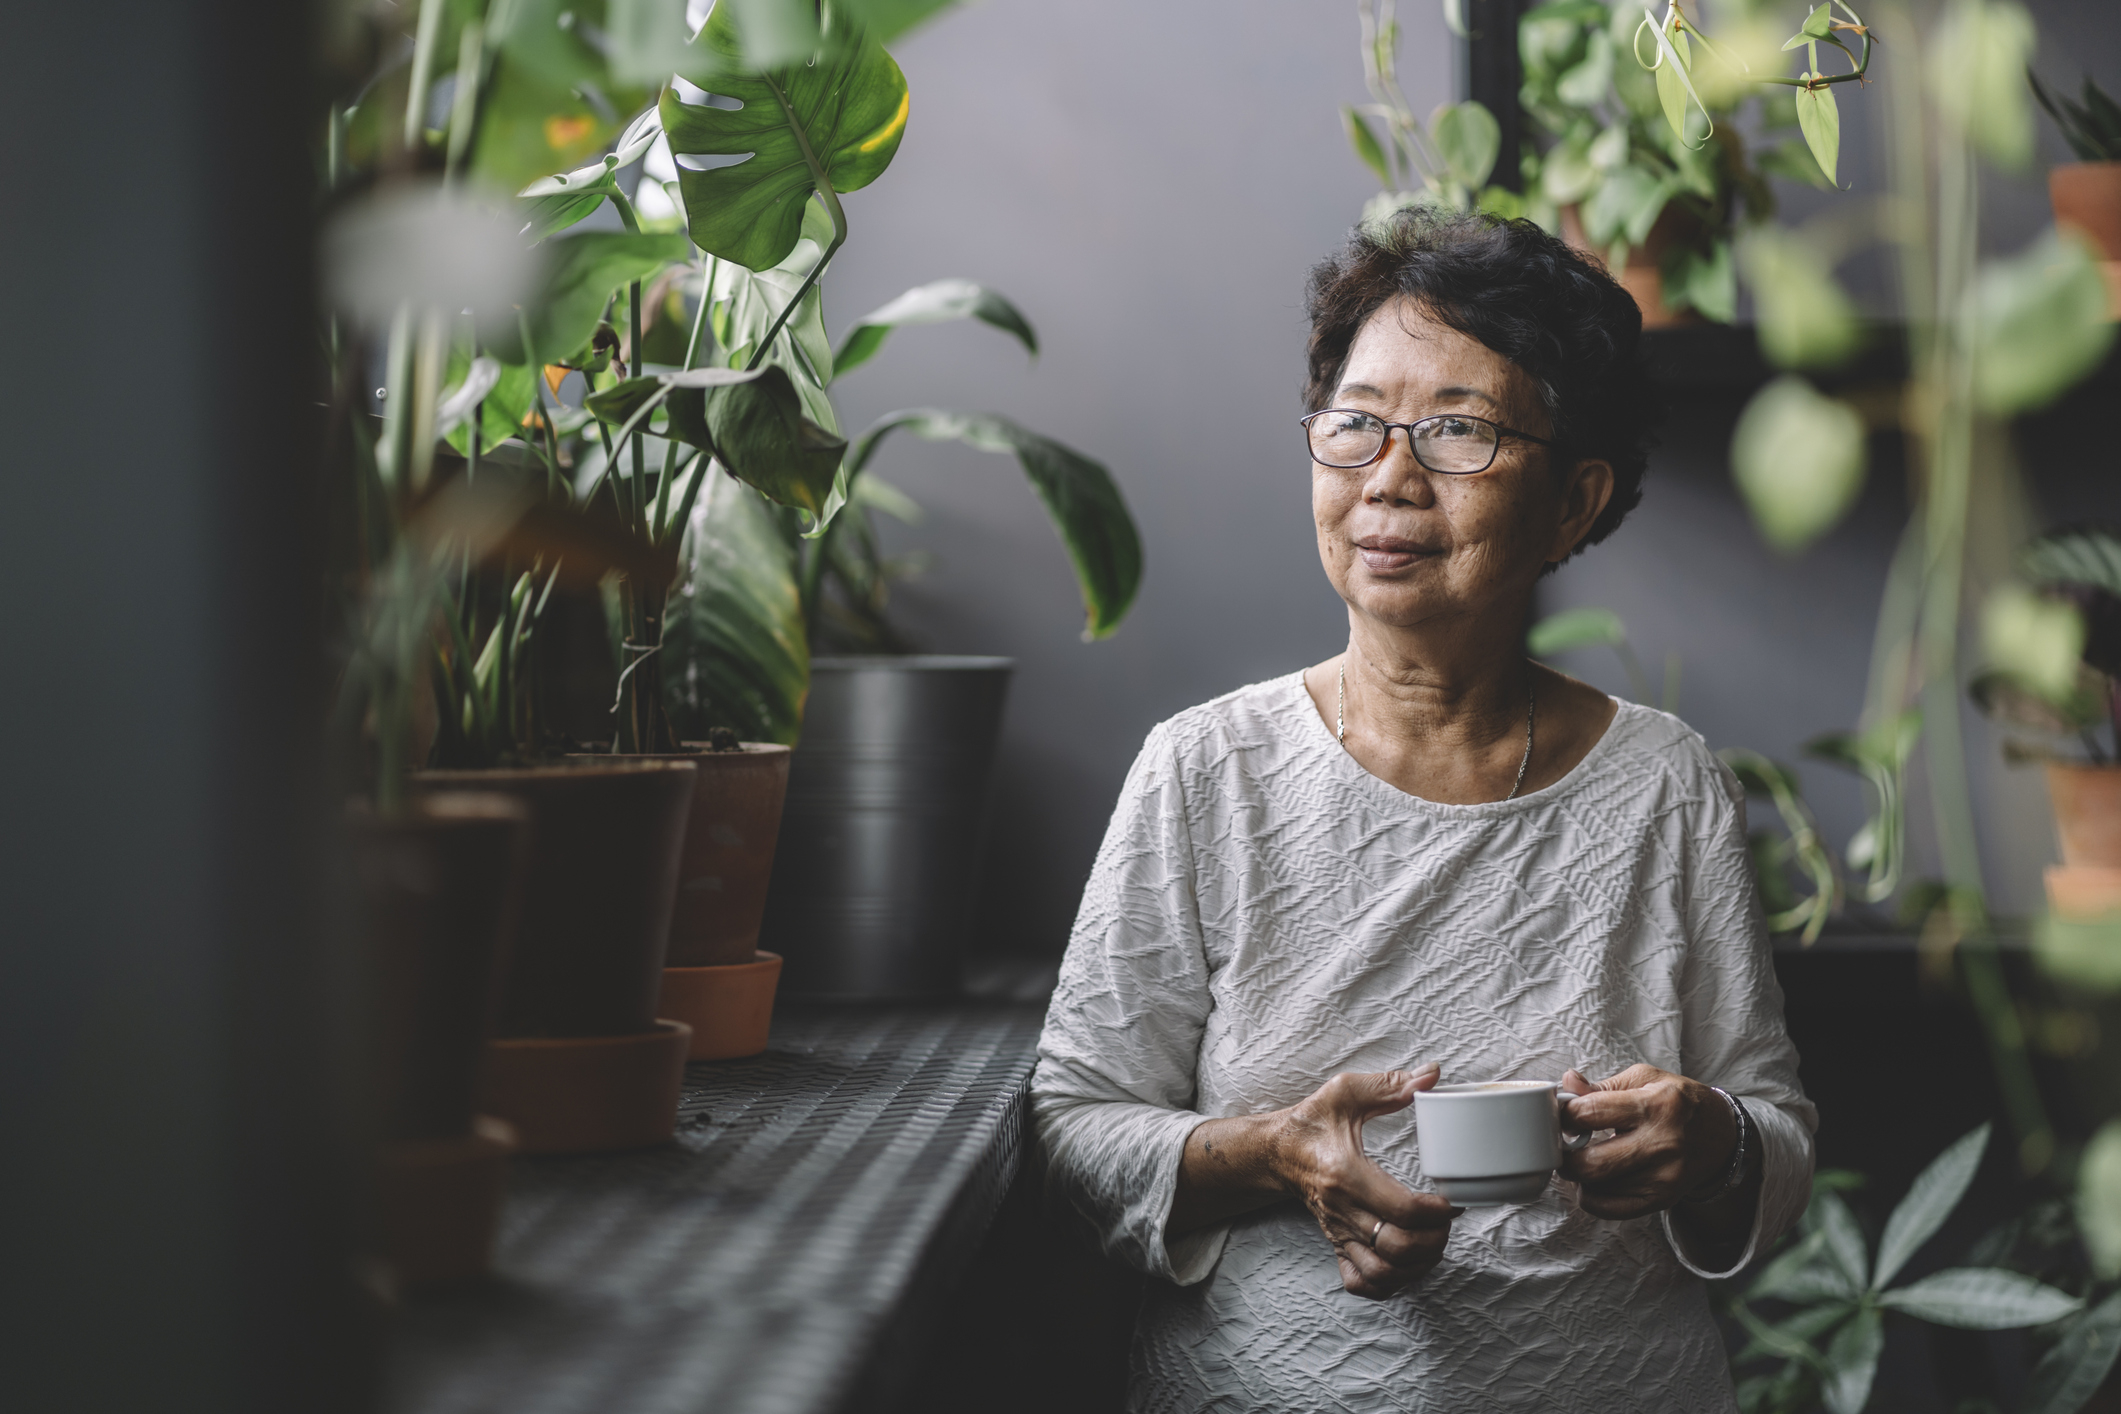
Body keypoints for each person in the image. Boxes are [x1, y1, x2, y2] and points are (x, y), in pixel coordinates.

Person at [1031, 207, 1815, 1412]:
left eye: (1457, 430)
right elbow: (1075, 1122)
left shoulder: (1666, 782)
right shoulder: (1206, 769)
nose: (1390, 476)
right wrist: (1278, 1155)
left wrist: (1714, 1142)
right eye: (1357, 423)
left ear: (1573, 500)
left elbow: (1773, 1139)